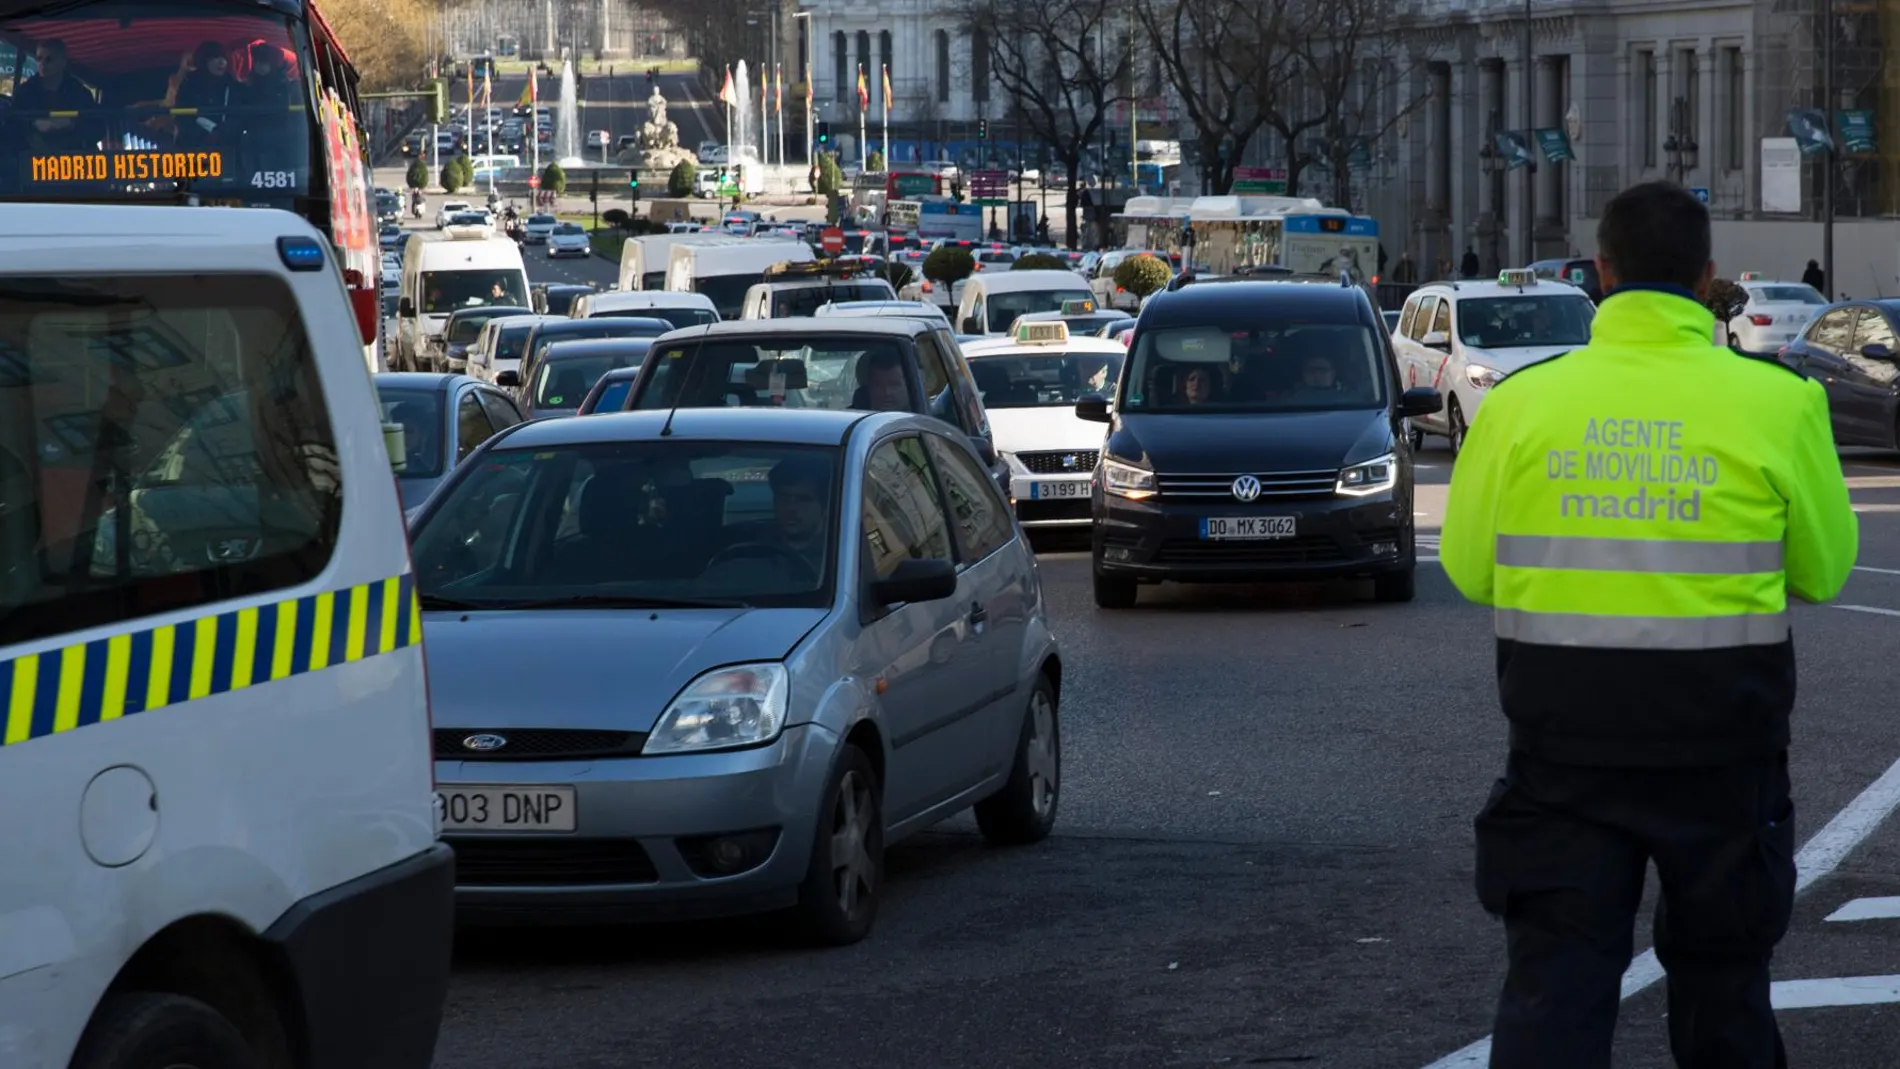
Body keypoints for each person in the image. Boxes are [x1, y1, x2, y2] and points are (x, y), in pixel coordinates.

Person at [1439, 181, 1859, 1069]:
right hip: (1723, 756)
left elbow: (1470, 569)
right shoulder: (1778, 402)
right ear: (1708, 280)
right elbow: (1824, 572)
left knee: (1555, 991)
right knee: (1725, 995)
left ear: (1603, 271)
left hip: (1562, 755)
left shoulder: (1519, 403)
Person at [14, 39, 95, 155]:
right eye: (39, 59)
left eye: (49, 59)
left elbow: (97, 129)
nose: (42, 64)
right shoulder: (24, 92)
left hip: (72, 159)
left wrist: (72, 124)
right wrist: (33, 124)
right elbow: (11, 127)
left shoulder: (80, 93)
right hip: (32, 161)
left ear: (63, 62)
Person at [766, 454, 830, 577]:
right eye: (783, 497)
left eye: (804, 499)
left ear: (826, 505)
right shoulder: (752, 550)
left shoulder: (841, 554)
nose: (791, 508)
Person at [174, 41, 235, 149]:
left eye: (224, 58)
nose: (222, 62)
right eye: (216, 57)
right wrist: (204, 134)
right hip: (191, 148)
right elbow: (181, 115)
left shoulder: (233, 85)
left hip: (227, 149)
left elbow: (238, 116)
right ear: (204, 60)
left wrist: (222, 133)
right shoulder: (189, 84)